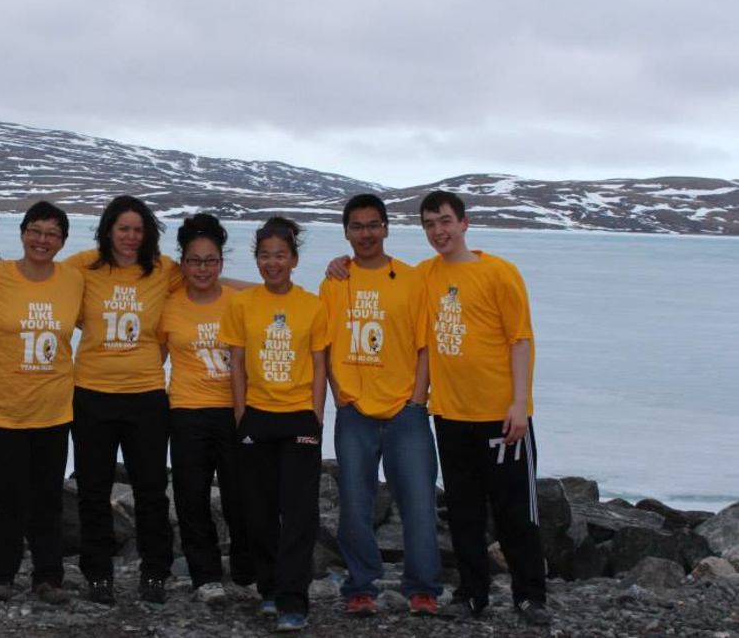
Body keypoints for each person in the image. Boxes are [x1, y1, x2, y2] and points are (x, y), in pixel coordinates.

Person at [418, 190, 550, 627]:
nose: (438, 231)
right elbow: (379, 279)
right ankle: (472, 594)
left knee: (515, 513)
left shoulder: (499, 273)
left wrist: (519, 405)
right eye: (430, 224)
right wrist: (338, 266)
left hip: (502, 418)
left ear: (464, 222)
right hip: (451, 416)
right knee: (464, 513)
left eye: (445, 221)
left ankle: (530, 596)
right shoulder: (425, 275)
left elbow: (521, 340)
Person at [318, 194, 443, 617]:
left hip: (405, 411)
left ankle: (423, 587)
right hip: (355, 411)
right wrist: (340, 394)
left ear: (386, 228)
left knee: (419, 502)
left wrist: (416, 400)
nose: (366, 233)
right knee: (355, 502)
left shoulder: (412, 280)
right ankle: (360, 586)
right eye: (357, 226)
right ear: (346, 232)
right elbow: (326, 344)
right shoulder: (335, 281)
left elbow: (425, 345)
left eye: (373, 225)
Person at [65, 195, 182, 605]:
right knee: (93, 491)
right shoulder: (83, 266)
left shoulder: (164, 271)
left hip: (146, 397)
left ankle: (156, 573)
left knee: (151, 491)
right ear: (108, 230)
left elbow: (212, 283)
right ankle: (98, 574)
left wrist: (274, 288)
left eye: (138, 229)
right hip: (92, 395)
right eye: (123, 229)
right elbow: (33, 280)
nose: (131, 237)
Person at [0, 201, 84, 605]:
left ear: (63, 241)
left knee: (48, 499)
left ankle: (48, 578)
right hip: (2, 407)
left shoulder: (74, 280)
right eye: (35, 231)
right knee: (6, 499)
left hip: (53, 408)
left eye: (52, 234)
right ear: (22, 234)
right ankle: (0, 575)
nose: (42, 240)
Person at [219, 216, 328, 633]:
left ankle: (292, 599)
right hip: (257, 417)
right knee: (258, 511)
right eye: (265, 255)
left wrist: (317, 415)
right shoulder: (242, 304)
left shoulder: (313, 305)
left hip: (299, 415)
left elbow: (319, 364)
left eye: (280, 255)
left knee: (299, 513)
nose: (272, 262)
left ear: (294, 259)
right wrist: (240, 412)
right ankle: (268, 589)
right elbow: (238, 364)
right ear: (258, 260)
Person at [157, 213, 253, 603]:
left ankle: (247, 572)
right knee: (191, 496)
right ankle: (206, 574)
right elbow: (154, 356)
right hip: (186, 410)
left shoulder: (238, 302)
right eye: (195, 261)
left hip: (235, 411)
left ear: (221, 264)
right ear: (182, 264)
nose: (202, 268)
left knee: (241, 496)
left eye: (210, 260)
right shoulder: (169, 306)